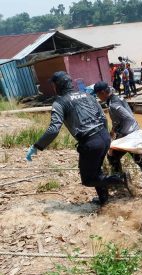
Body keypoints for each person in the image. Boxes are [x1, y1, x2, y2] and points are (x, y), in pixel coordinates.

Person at [25, 71, 135, 206]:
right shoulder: (88, 96)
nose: (53, 88)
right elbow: (103, 117)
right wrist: (106, 138)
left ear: (58, 85)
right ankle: (104, 199)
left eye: (53, 85)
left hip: (90, 142)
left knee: (88, 180)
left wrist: (37, 146)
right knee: (96, 170)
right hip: (104, 137)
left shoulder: (59, 103)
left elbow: (54, 129)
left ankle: (121, 179)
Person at [93, 81, 142, 191]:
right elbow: (127, 117)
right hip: (133, 132)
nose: (98, 97)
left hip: (128, 135)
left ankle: (119, 180)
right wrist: (115, 130)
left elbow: (127, 117)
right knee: (140, 159)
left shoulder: (113, 105)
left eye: (98, 95)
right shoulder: (118, 98)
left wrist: (117, 131)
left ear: (103, 92)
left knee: (112, 156)